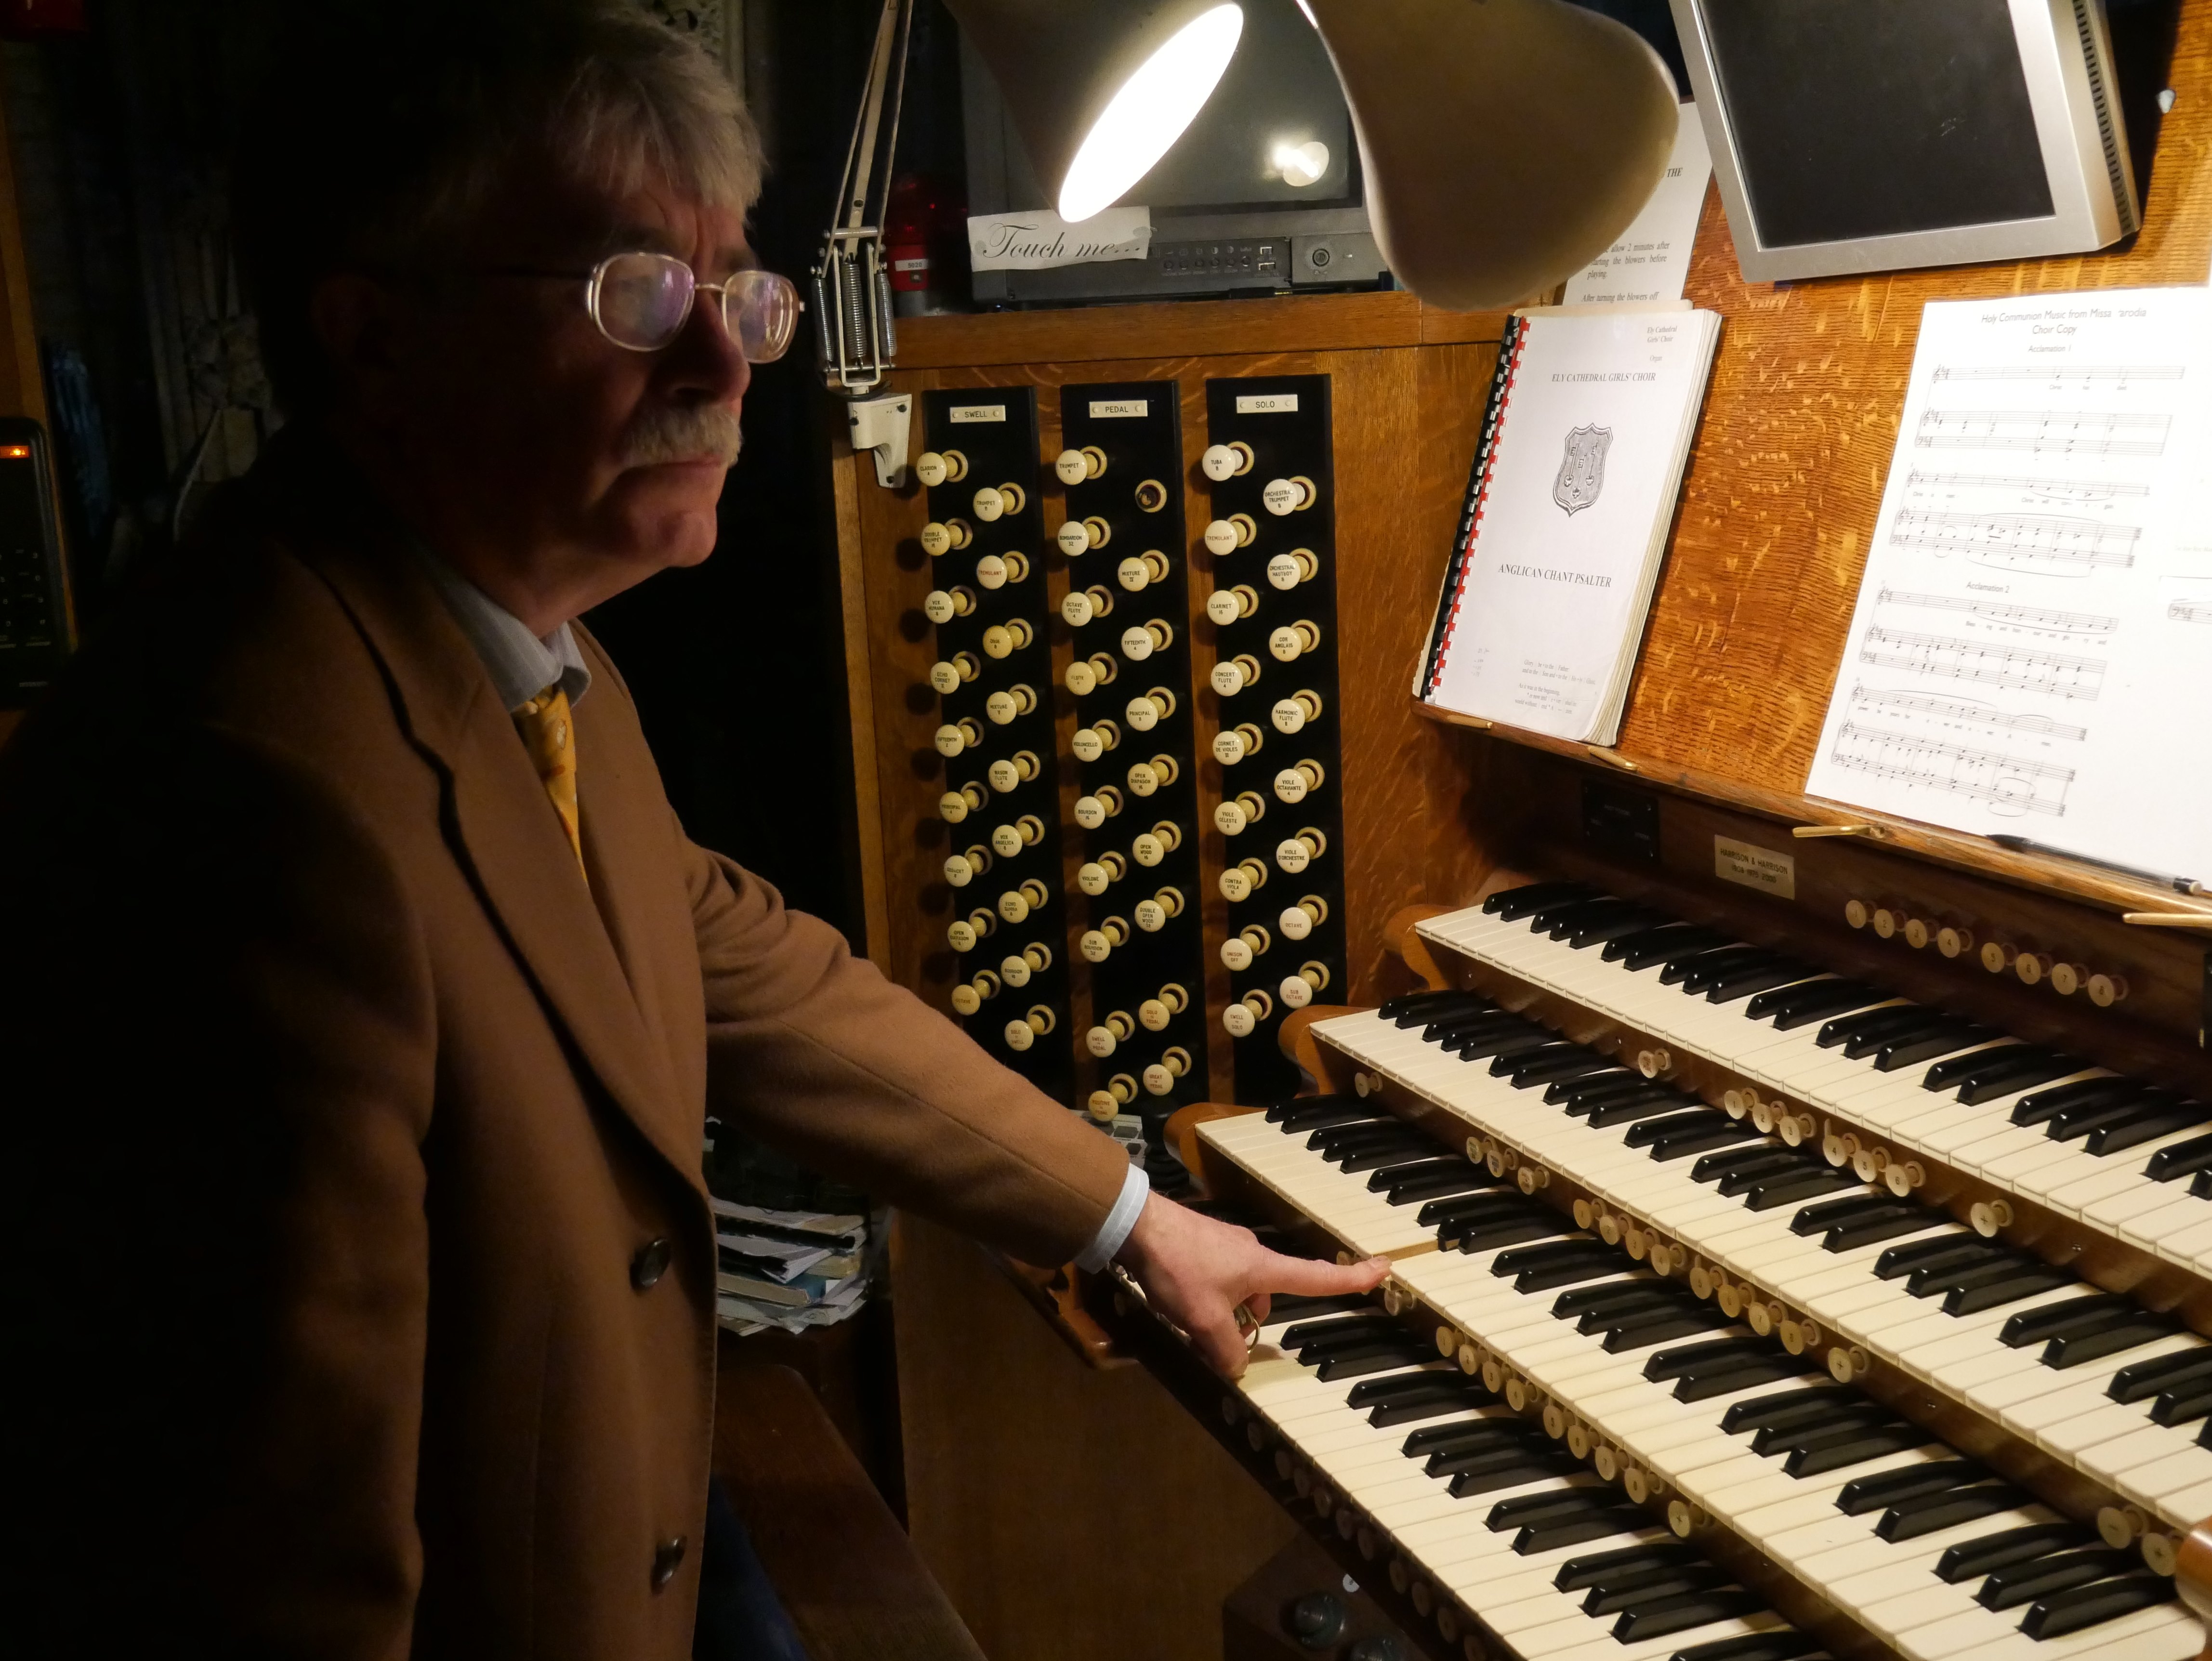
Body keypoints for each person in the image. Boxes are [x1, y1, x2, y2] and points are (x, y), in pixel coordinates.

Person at [0, 3, 1386, 1657]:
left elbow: (726, 953)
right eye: (634, 291)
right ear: (374, 338)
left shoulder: (508, 641)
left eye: (738, 292)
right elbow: (273, 1556)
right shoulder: (251, 792)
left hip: (637, 1512)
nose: (727, 366)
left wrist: (1129, 1213)